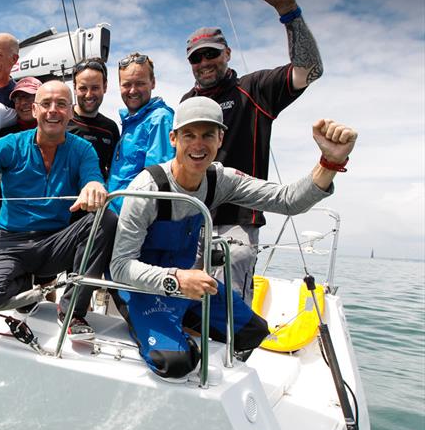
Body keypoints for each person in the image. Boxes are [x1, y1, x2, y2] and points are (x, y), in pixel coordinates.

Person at [110, 97, 356, 380]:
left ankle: (180, 322)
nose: (198, 144)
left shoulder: (220, 179)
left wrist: (330, 162)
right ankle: (154, 326)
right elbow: (120, 267)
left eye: (207, 135)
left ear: (220, 138)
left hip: (189, 288)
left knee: (253, 332)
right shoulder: (147, 188)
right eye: (189, 135)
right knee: (175, 363)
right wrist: (177, 279)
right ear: (173, 138)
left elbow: (288, 201)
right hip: (140, 289)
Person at [0, 81, 118, 340]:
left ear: (71, 113)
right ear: (34, 110)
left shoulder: (82, 148)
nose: (53, 110)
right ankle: (22, 283)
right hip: (11, 242)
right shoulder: (11, 144)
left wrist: (94, 187)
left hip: (55, 242)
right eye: (46, 104)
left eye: (62, 104)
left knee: (105, 218)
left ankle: (72, 311)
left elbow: (92, 177)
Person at [181, 0, 324, 304]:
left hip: (238, 221)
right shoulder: (186, 101)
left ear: (227, 53)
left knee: (228, 307)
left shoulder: (256, 87)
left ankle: (235, 349)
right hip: (192, 218)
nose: (204, 63)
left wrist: (289, 12)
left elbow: (310, 70)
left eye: (211, 54)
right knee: (189, 307)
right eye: (196, 58)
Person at [108, 52, 174, 214]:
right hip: (113, 212)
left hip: (133, 220)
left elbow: (157, 180)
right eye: (126, 84)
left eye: (140, 83)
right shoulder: (131, 122)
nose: (132, 90)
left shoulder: (159, 119)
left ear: (153, 83)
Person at [66, 58, 120, 180]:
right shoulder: (61, 120)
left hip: (97, 195)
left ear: (105, 87)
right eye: (83, 88)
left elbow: (114, 170)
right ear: (74, 88)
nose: (89, 94)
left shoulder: (110, 128)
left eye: (95, 88)